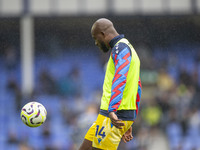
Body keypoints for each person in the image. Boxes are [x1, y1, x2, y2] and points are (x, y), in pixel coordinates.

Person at [79, 18, 142, 150]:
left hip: (113, 114)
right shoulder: (128, 48)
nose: (96, 43)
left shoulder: (120, 48)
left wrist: (113, 109)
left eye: (95, 38)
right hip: (111, 115)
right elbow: (137, 86)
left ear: (102, 34)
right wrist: (130, 120)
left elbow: (120, 77)